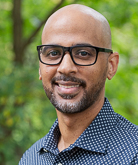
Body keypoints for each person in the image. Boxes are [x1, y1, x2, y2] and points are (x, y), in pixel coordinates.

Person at [19, 4, 138, 165]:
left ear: (111, 65)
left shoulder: (133, 154)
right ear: (40, 67)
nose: (66, 68)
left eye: (83, 53)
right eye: (53, 53)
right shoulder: (31, 158)